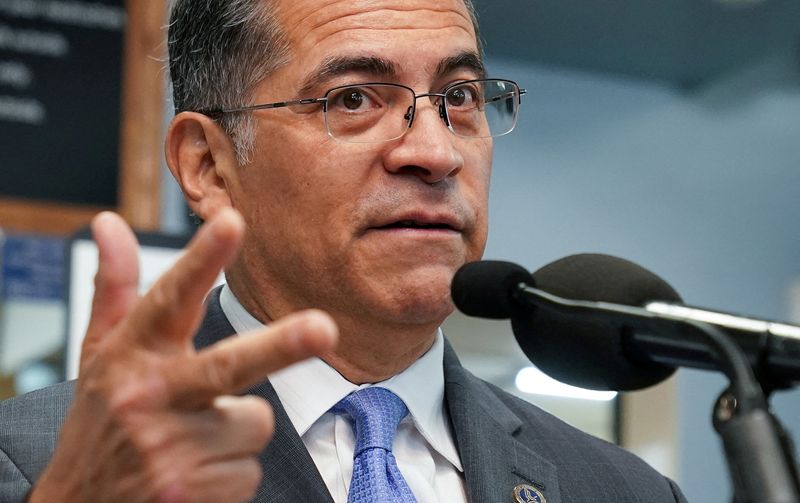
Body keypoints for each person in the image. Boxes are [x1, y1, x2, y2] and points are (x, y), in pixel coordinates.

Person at [0, 0, 687, 502]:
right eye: (353, 98)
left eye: (460, 97)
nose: (434, 151)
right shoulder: (35, 462)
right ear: (208, 166)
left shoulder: (627, 491)